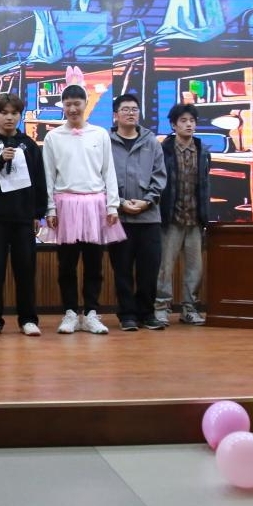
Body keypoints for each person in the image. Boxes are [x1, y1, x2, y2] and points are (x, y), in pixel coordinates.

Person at [41, 84, 125, 335]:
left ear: (86, 104)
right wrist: (50, 209)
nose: (72, 109)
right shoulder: (53, 137)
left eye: (77, 103)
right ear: (63, 106)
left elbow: (109, 171)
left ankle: (90, 313)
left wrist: (112, 205)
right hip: (65, 205)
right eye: (68, 104)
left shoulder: (100, 134)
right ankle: (69, 313)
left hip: (94, 205)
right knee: (66, 264)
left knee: (94, 263)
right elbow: (48, 175)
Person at [0, 93, 47, 337]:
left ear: (20, 115)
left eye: (14, 113)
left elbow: (40, 181)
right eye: (4, 113)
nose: (9, 117)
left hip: (24, 218)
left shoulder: (30, 145)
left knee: (25, 270)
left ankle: (28, 319)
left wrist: (38, 213)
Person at [107, 94, 167, 331]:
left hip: (149, 217)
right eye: (125, 109)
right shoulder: (106, 142)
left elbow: (160, 176)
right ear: (116, 115)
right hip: (119, 217)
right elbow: (102, 177)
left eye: (134, 109)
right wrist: (120, 203)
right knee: (122, 269)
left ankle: (147, 313)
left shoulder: (152, 141)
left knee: (149, 270)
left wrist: (147, 202)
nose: (131, 113)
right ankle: (127, 315)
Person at [155, 103, 212, 326]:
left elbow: (205, 184)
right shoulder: (164, 150)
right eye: (183, 121)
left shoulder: (202, 150)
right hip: (171, 218)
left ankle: (190, 309)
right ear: (173, 125)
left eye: (192, 121)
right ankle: (161, 308)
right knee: (164, 267)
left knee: (195, 269)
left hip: (195, 218)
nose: (189, 125)